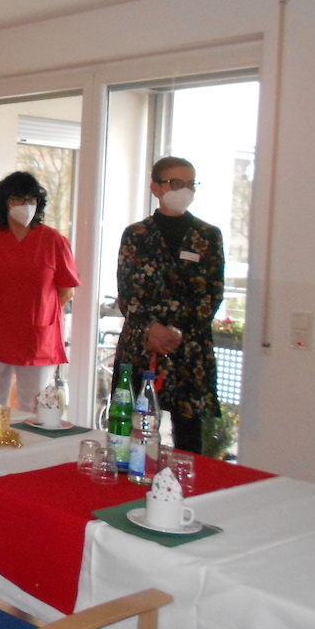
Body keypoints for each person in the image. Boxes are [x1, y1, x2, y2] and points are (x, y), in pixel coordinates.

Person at [114, 156, 224, 454]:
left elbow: (212, 293)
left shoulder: (208, 236)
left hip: (187, 347)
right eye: (177, 183)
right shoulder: (136, 234)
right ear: (156, 188)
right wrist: (151, 328)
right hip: (140, 344)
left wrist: (174, 331)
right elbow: (127, 291)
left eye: (190, 184)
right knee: (127, 430)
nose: (185, 190)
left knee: (189, 439)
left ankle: (182, 493)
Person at [0, 171, 79, 411]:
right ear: (4, 202)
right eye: (18, 199)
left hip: (38, 338)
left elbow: (67, 291)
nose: (25, 206)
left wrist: (39, 312)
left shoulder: (54, 241)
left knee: (33, 409)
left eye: (31, 200)